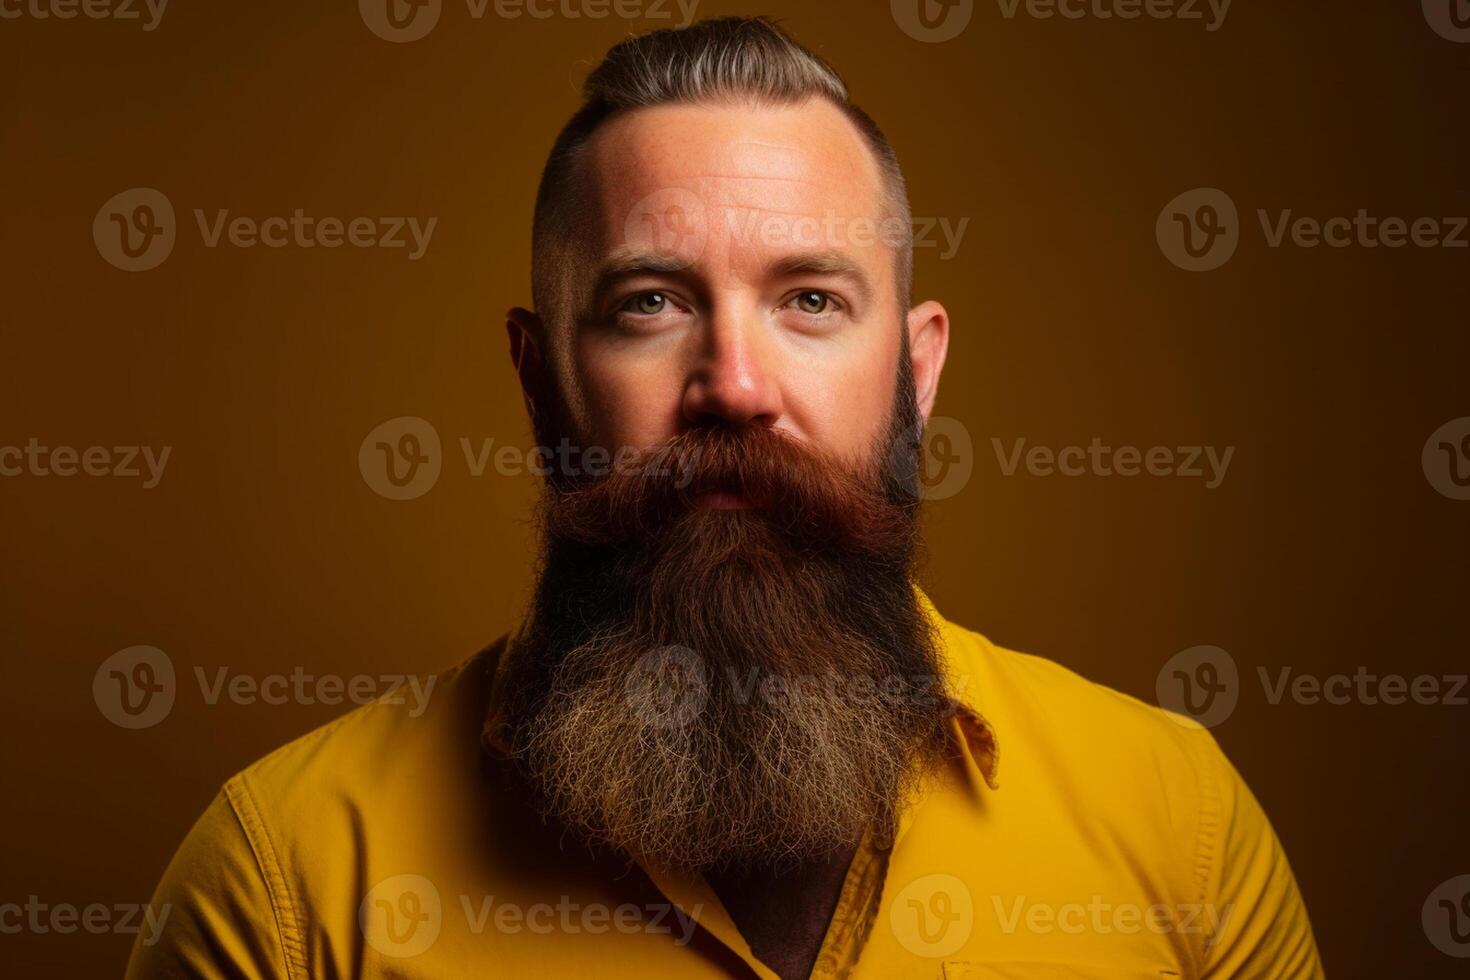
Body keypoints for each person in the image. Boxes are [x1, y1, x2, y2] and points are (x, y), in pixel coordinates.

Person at [128, 16, 1322, 979]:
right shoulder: (287, 887)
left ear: (916, 371)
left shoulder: (1181, 833)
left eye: (809, 299)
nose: (734, 387)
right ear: (542, 379)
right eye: (650, 302)